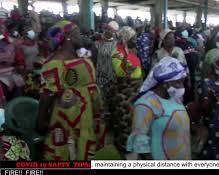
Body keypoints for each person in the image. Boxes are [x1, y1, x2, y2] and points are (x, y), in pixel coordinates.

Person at [37, 20, 106, 160]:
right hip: (67, 115)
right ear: (68, 36)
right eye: (77, 33)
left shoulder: (80, 56)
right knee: (67, 151)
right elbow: (47, 95)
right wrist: (41, 120)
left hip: (86, 113)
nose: (81, 36)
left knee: (84, 150)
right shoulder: (55, 63)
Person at [127, 56, 191, 160]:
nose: (182, 86)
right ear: (165, 84)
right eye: (178, 82)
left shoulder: (174, 98)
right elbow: (140, 142)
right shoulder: (146, 104)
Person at [110, 26, 143, 155]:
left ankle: (130, 146)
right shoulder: (118, 53)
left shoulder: (129, 51)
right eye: (133, 38)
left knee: (133, 122)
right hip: (124, 93)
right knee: (124, 122)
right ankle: (123, 149)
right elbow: (122, 72)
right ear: (125, 39)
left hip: (133, 92)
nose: (136, 40)